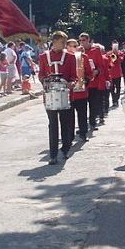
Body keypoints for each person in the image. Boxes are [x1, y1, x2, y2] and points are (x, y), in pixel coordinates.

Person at [38, 31, 77, 165]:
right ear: (54, 42)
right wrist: (45, 81)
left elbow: (74, 76)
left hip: (65, 95)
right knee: (52, 125)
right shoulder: (44, 56)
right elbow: (41, 74)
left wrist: (71, 83)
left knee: (66, 123)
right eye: (63, 42)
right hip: (50, 96)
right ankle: (53, 154)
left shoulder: (71, 57)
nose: (65, 45)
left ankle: (65, 149)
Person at [67, 39, 93, 142]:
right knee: (69, 117)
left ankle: (83, 133)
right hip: (69, 92)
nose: (73, 48)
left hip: (81, 92)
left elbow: (90, 73)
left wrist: (85, 81)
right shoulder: (65, 58)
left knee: (82, 114)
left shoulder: (84, 57)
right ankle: (69, 136)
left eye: (75, 46)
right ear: (67, 47)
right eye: (71, 46)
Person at [79, 33, 105, 131]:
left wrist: (97, 71)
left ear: (88, 40)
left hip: (93, 81)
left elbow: (101, 66)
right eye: (80, 40)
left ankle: (92, 122)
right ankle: (83, 125)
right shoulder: (79, 51)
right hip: (82, 81)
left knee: (93, 103)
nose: (82, 42)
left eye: (84, 40)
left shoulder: (96, 50)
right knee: (82, 105)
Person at [107, 40, 124, 107]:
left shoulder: (120, 53)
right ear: (111, 46)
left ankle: (116, 99)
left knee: (118, 88)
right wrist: (113, 53)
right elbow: (111, 61)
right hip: (111, 74)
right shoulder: (109, 53)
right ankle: (114, 100)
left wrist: (116, 54)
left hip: (118, 73)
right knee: (111, 88)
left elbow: (120, 60)